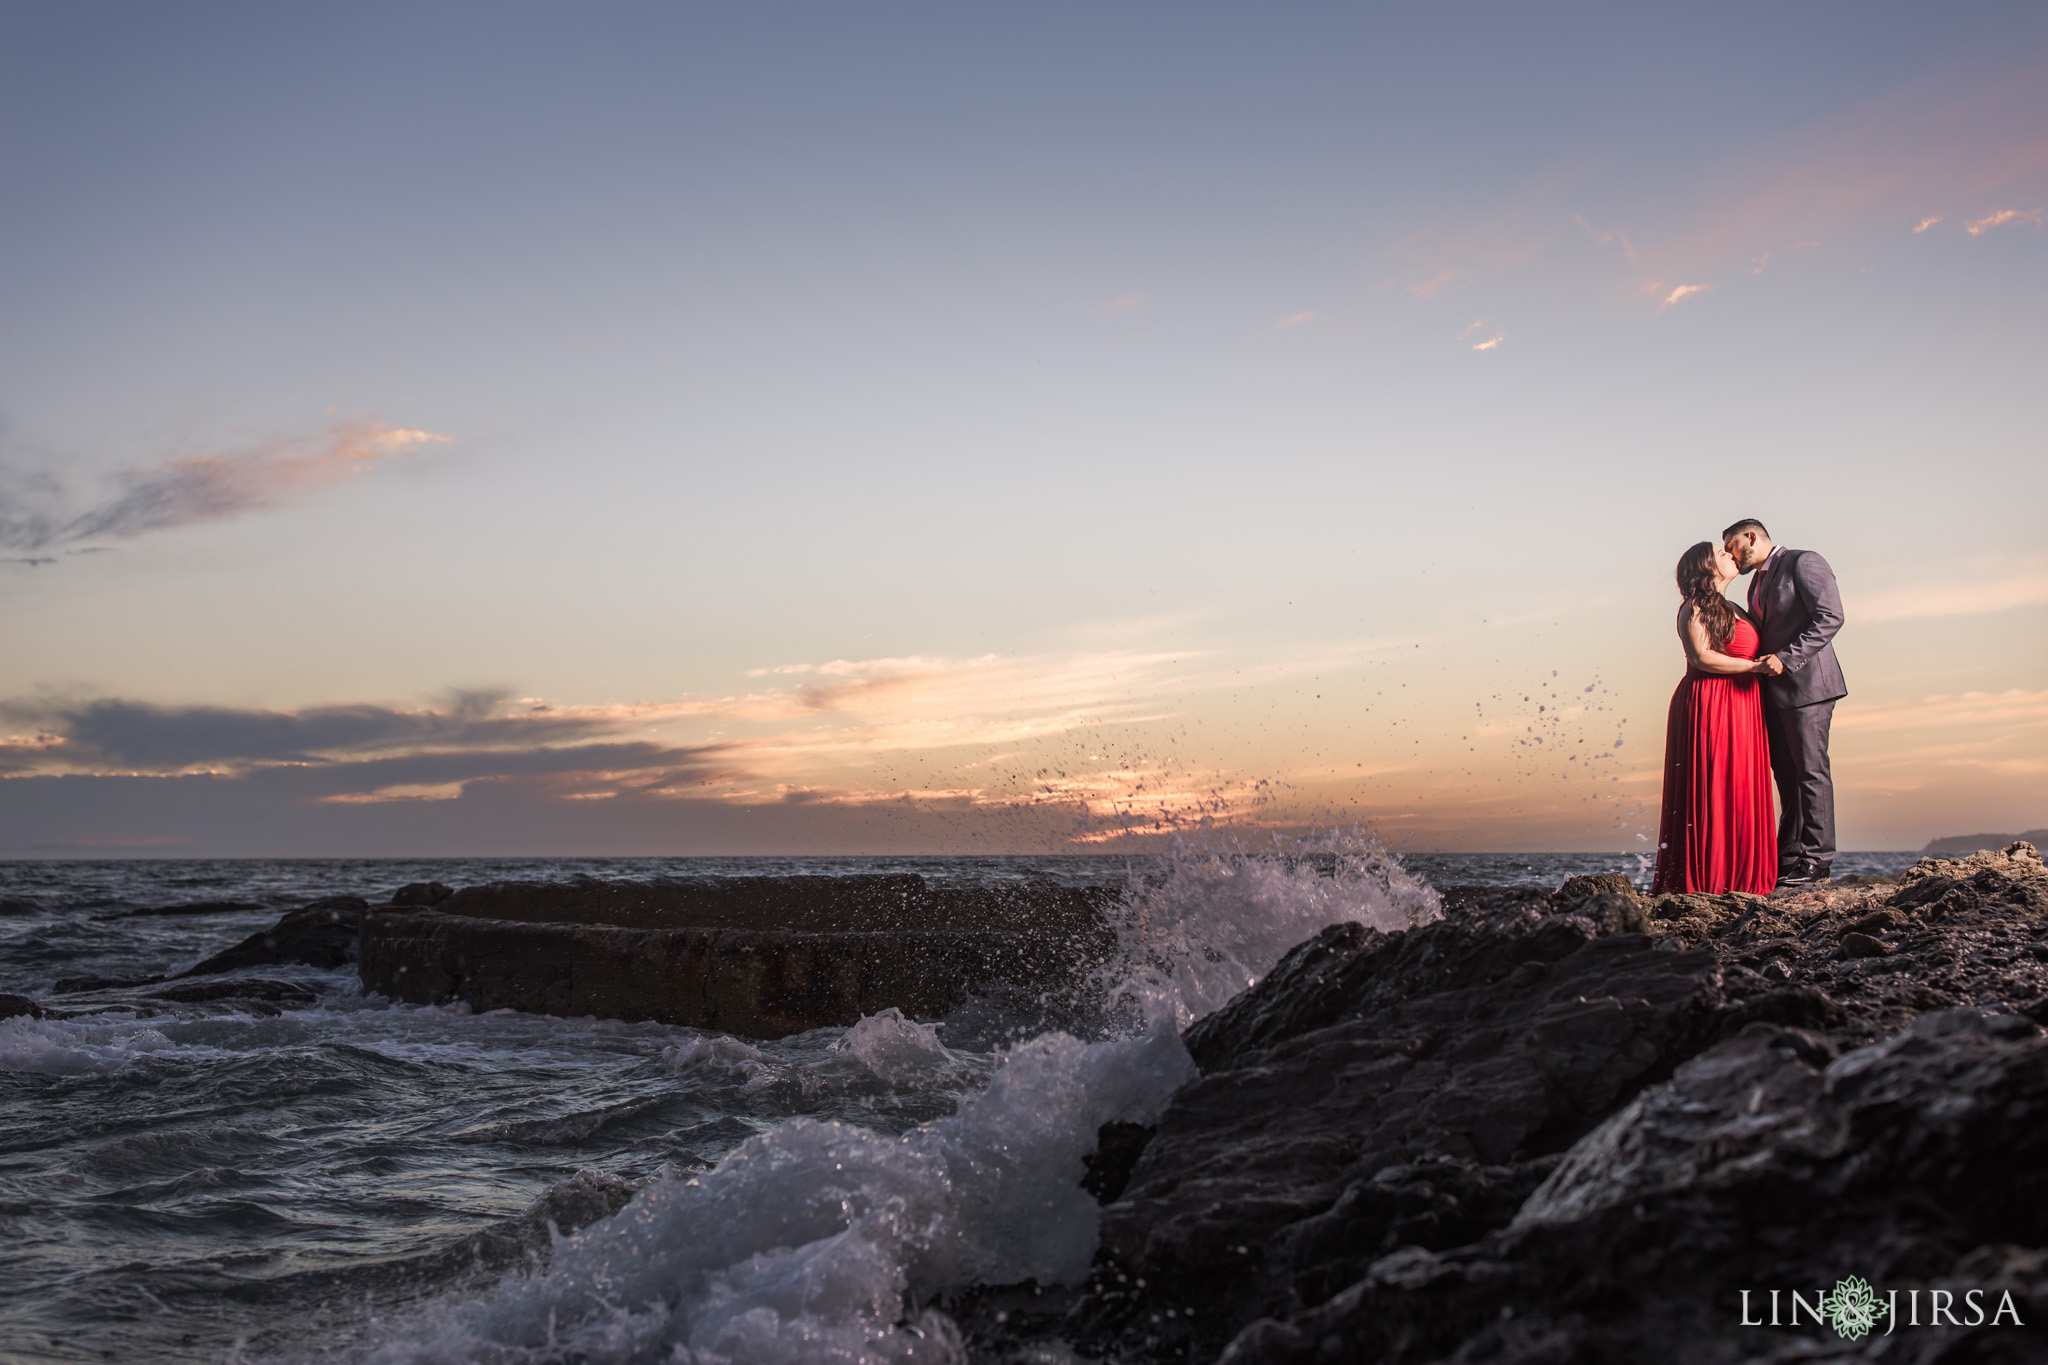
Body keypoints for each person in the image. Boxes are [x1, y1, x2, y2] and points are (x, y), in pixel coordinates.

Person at [1723, 518, 1846, 886]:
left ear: (1751, 537)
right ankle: (1789, 857)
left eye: (1732, 547)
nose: (1732, 556)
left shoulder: (1803, 562)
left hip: (1809, 688)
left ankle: (1818, 860)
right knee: (1788, 777)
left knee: (1811, 772)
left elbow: (1831, 617)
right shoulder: (1757, 583)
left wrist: (1786, 658)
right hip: (1775, 694)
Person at [1650, 540, 1776, 895]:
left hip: (1744, 704)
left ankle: (1745, 878)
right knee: (1713, 785)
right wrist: (1753, 666)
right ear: (1705, 568)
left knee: (1741, 785)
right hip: (1710, 703)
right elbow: (1701, 657)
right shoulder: (1692, 607)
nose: (1728, 554)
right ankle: (1708, 880)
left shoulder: (1734, 605)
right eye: (1719, 554)